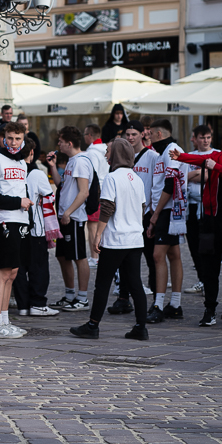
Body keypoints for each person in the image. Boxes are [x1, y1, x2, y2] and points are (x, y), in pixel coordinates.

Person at [171, 122, 222, 327]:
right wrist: (180, 157)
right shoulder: (218, 156)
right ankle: (210, 310)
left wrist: (217, 168)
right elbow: (199, 159)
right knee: (210, 267)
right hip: (211, 220)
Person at [70, 138, 148, 341]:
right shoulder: (137, 178)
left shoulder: (112, 178)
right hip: (134, 240)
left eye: (108, 152)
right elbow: (142, 208)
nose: (105, 155)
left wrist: (97, 235)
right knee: (135, 284)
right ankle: (141, 327)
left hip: (115, 240)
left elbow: (107, 208)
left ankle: (93, 325)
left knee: (103, 284)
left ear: (116, 155)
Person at [0, 123, 33, 338]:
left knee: (12, 273)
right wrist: (17, 202)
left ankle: (4, 321)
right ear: (3, 138)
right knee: (2, 272)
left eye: (17, 139)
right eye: (10, 138)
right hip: (4, 221)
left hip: (20, 220)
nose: (13, 142)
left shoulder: (22, 162)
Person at [108, 120, 157, 314]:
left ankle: (156, 299)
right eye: (127, 134)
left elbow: (157, 183)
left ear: (142, 134)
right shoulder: (120, 156)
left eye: (133, 134)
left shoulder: (152, 156)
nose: (130, 138)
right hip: (124, 215)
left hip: (145, 214)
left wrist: (153, 212)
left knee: (152, 259)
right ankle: (123, 297)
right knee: (124, 260)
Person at [146, 119, 189, 324]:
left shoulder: (172, 150)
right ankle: (176, 304)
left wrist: (155, 215)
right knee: (173, 254)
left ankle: (159, 304)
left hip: (169, 210)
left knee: (157, 255)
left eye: (151, 133)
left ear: (160, 134)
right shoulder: (165, 151)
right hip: (169, 209)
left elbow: (170, 185)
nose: (149, 137)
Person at [46, 126, 92, 312]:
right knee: (63, 256)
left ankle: (82, 297)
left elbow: (84, 192)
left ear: (69, 143)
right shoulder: (72, 161)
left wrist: (68, 213)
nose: (58, 144)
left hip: (73, 218)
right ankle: (70, 294)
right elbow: (62, 185)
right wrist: (52, 167)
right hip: (65, 217)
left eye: (61, 141)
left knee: (79, 256)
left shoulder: (81, 161)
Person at [15, 139, 59, 317]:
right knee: (38, 267)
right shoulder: (37, 174)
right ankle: (38, 303)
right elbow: (49, 198)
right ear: (32, 152)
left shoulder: (14, 171)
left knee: (19, 269)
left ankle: (23, 305)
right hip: (36, 228)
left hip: (17, 226)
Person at [184, 125, 217, 295]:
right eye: (202, 137)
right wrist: (197, 173)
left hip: (209, 207)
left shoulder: (216, 154)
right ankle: (201, 279)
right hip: (192, 206)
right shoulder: (189, 156)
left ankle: (210, 279)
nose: (205, 141)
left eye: (208, 137)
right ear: (195, 138)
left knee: (208, 245)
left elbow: (209, 176)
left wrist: (199, 174)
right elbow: (183, 177)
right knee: (194, 246)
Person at [83, 124, 107, 267]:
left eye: (85, 134)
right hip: (106, 191)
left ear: (90, 136)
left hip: (97, 192)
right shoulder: (105, 149)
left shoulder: (91, 152)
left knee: (92, 226)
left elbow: (91, 175)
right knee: (101, 226)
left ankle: (94, 257)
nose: (84, 137)